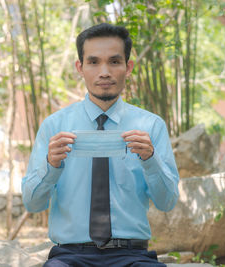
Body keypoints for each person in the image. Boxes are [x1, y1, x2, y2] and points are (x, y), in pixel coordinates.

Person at [22, 23, 179, 267]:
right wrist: (50, 165)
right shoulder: (55, 126)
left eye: (114, 62)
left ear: (128, 67)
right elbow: (32, 204)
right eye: (93, 62)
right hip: (69, 256)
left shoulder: (150, 126)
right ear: (80, 67)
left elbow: (167, 202)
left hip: (132, 256)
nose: (104, 72)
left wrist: (151, 159)